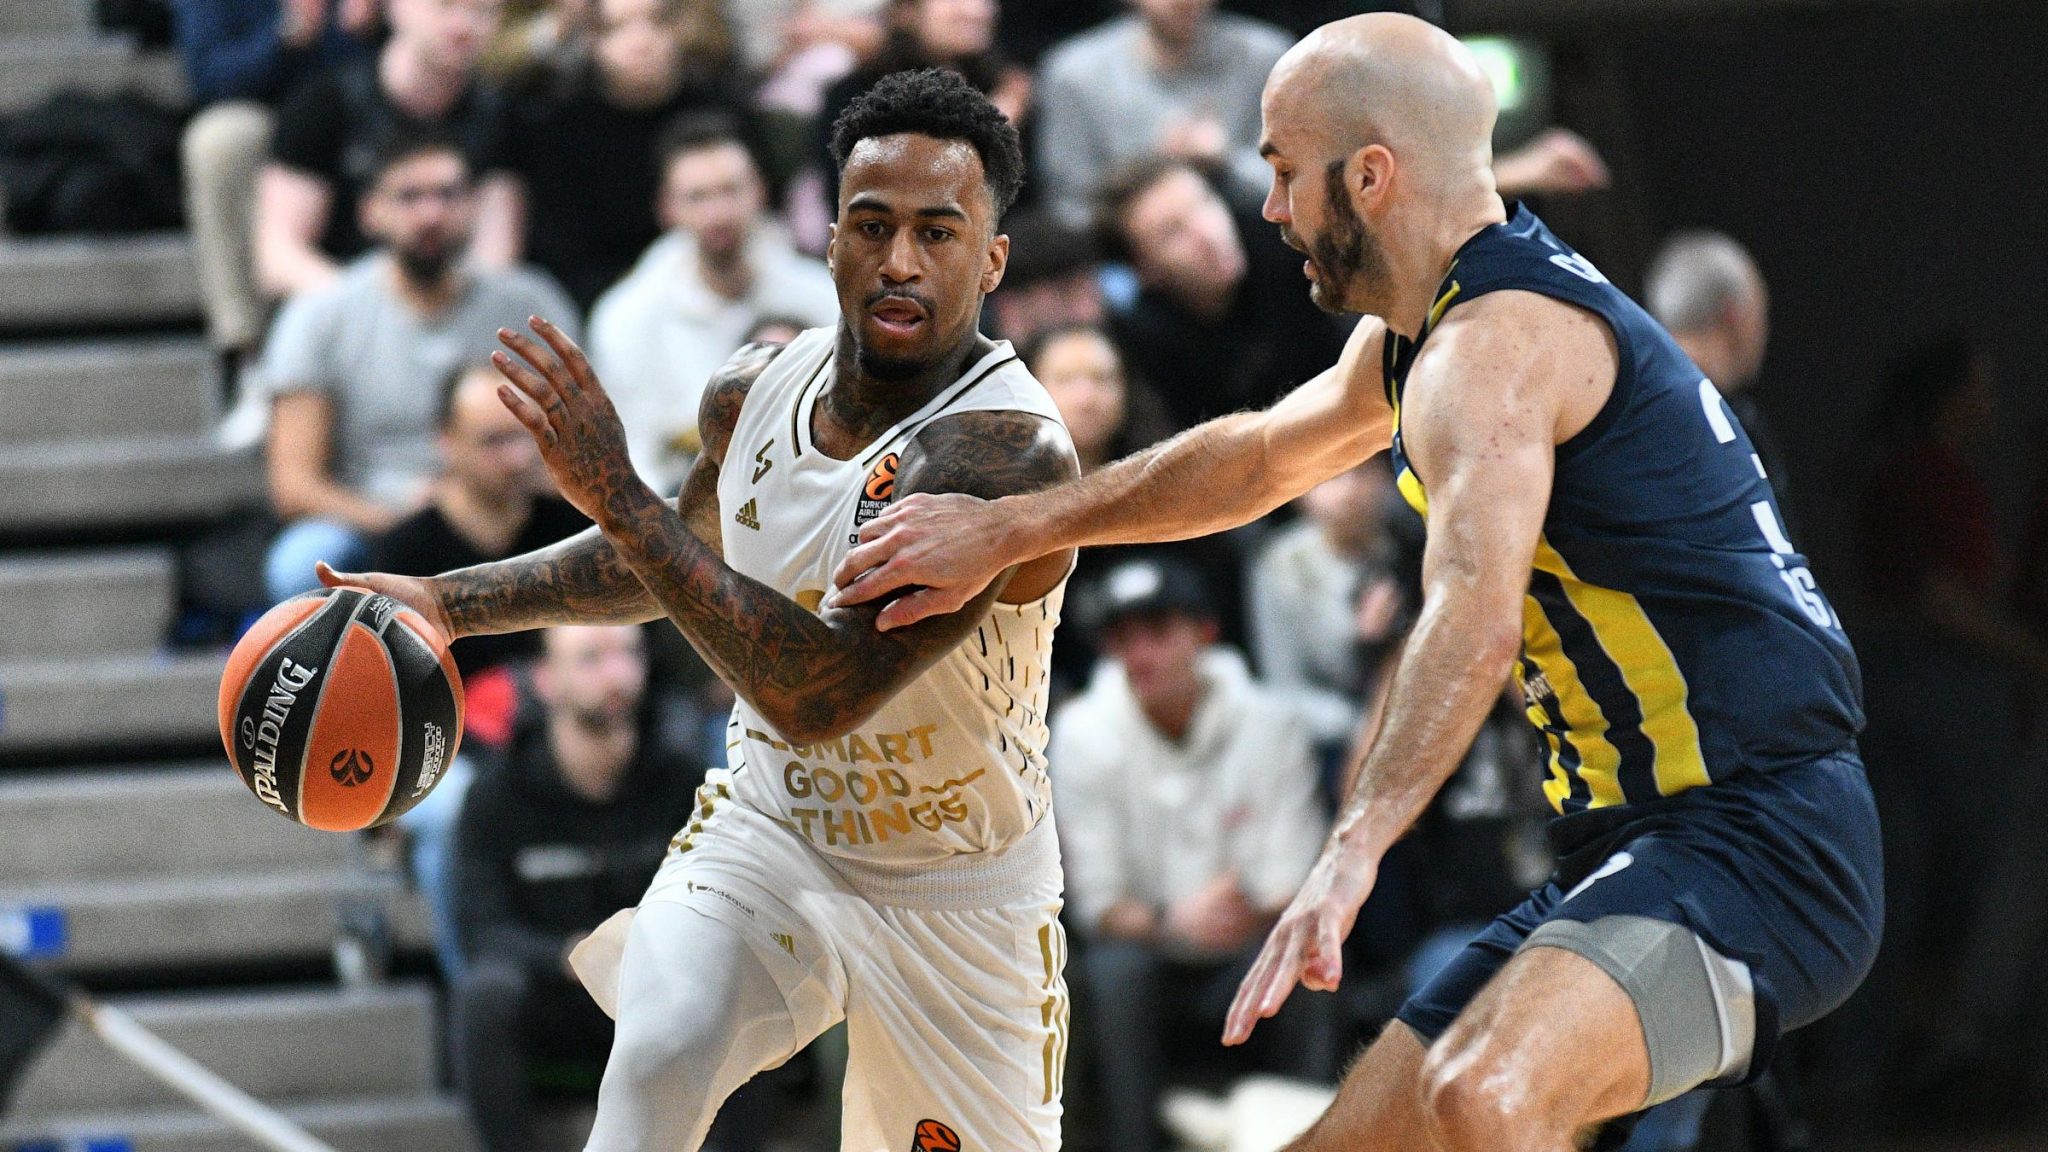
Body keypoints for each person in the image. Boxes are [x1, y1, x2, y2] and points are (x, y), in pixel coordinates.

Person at [833, 15, 1880, 1151]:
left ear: (1370, 176)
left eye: (1285, 171)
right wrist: (1010, 527)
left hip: (1760, 839)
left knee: (1485, 1095)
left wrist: (1351, 850)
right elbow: (1255, 460)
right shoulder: (1421, 336)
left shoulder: (1492, 349)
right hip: (1631, 847)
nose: (1269, 207)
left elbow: (1471, 621)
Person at [322, 68, 1081, 1150]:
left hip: (956, 889)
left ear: (993, 259)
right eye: (872, 226)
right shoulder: (753, 389)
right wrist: (451, 603)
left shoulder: (1005, 453)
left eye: (937, 232)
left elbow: (819, 693)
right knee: (661, 1049)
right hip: (775, 829)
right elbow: (665, 563)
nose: (900, 261)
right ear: (828, 240)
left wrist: (620, 496)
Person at [1052, 557, 1334, 1152]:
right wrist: (1172, 920)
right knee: (1111, 973)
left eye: (1158, 632)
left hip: (1251, 940)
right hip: (1150, 949)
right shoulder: (1080, 733)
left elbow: (1292, 881)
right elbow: (1097, 903)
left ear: (1205, 633)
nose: (1140, 655)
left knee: (1310, 956)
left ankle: (1312, 1138)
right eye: (1122, 639)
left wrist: (1234, 910)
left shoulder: (1270, 723)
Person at [256, 133, 577, 603]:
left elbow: (576, 446)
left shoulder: (531, 305)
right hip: (374, 520)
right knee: (302, 561)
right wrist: (414, 521)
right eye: (409, 197)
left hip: (513, 505)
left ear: (474, 205)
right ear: (370, 211)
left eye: (448, 195)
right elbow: (294, 484)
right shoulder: (319, 316)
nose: (431, 214)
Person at [449, 624, 701, 1152]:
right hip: (556, 998)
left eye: (628, 653)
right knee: (485, 996)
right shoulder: (498, 795)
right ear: (545, 678)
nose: (617, 674)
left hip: (656, 996)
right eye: (591, 657)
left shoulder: (682, 782)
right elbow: (483, 933)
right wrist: (574, 955)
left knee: (740, 979)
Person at [588, 116, 839, 493]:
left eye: (730, 191)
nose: (718, 214)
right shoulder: (625, 319)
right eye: (698, 197)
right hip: (680, 505)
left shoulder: (823, 295)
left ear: (760, 191)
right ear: (666, 208)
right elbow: (631, 458)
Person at [257, 0, 520, 300]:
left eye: (481, 11)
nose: (463, 25)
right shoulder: (324, 105)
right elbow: (279, 255)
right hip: (341, 299)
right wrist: (379, 310)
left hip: (454, 307)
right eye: (444, 5)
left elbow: (495, 260)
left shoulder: (499, 117)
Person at [172, 0, 374, 369]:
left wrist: (369, 28)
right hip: (269, 111)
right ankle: (247, 346)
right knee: (220, 140)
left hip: (361, 107)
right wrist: (285, 35)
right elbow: (210, 79)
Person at [507, 0, 739, 311]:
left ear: (680, 28)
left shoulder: (722, 108)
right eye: (617, 28)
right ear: (591, 39)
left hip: (722, 288)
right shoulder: (560, 126)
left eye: (657, 22)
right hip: (602, 303)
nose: (642, 41)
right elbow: (561, 252)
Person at [372, 364, 591, 683]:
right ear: (446, 440)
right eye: (494, 441)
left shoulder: (575, 531)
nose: (517, 459)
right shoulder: (404, 556)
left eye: (525, 435)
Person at [1100, 156, 1353, 430]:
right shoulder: (1146, 340)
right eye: (1173, 232)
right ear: (1144, 270)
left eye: (1203, 203)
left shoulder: (1288, 242)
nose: (1207, 234)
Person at [1035, 0, 1292, 230]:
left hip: (1257, 234)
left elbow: (1299, 184)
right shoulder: (1073, 74)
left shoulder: (1268, 56)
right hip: (1126, 252)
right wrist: (1153, 173)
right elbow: (1070, 209)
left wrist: (1226, 159)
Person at [1248, 460, 1404, 750]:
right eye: (1332, 476)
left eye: (1363, 471)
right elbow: (1283, 688)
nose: (1349, 490)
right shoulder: (1281, 565)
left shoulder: (1409, 543)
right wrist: (1366, 723)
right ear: (1300, 489)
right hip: (1332, 736)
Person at [1643, 231, 1789, 503]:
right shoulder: (1727, 429)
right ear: (1733, 314)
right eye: (1761, 313)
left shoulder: (1634, 412)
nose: (1764, 332)